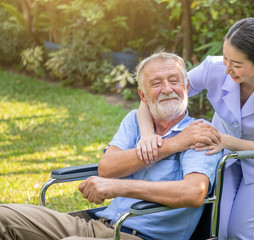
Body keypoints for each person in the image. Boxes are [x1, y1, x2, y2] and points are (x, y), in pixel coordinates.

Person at [0, 52, 222, 240]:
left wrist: (118, 188)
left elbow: (194, 193)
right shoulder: (134, 122)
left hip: (139, 236)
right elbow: (108, 168)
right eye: (156, 83)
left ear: (186, 86)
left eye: (174, 80)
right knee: (4, 216)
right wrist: (173, 144)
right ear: (143, 96)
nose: (167, 89)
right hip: (97, 226)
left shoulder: (198, 132)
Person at [136, 18, 254, 240]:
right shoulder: (213, 68)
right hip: (224, 156)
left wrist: (222, 140)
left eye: (236, 64)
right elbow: (157, 94)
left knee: (239, 233)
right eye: (225, 58)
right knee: (218, 230)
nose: (227, 69)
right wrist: (147, 134)